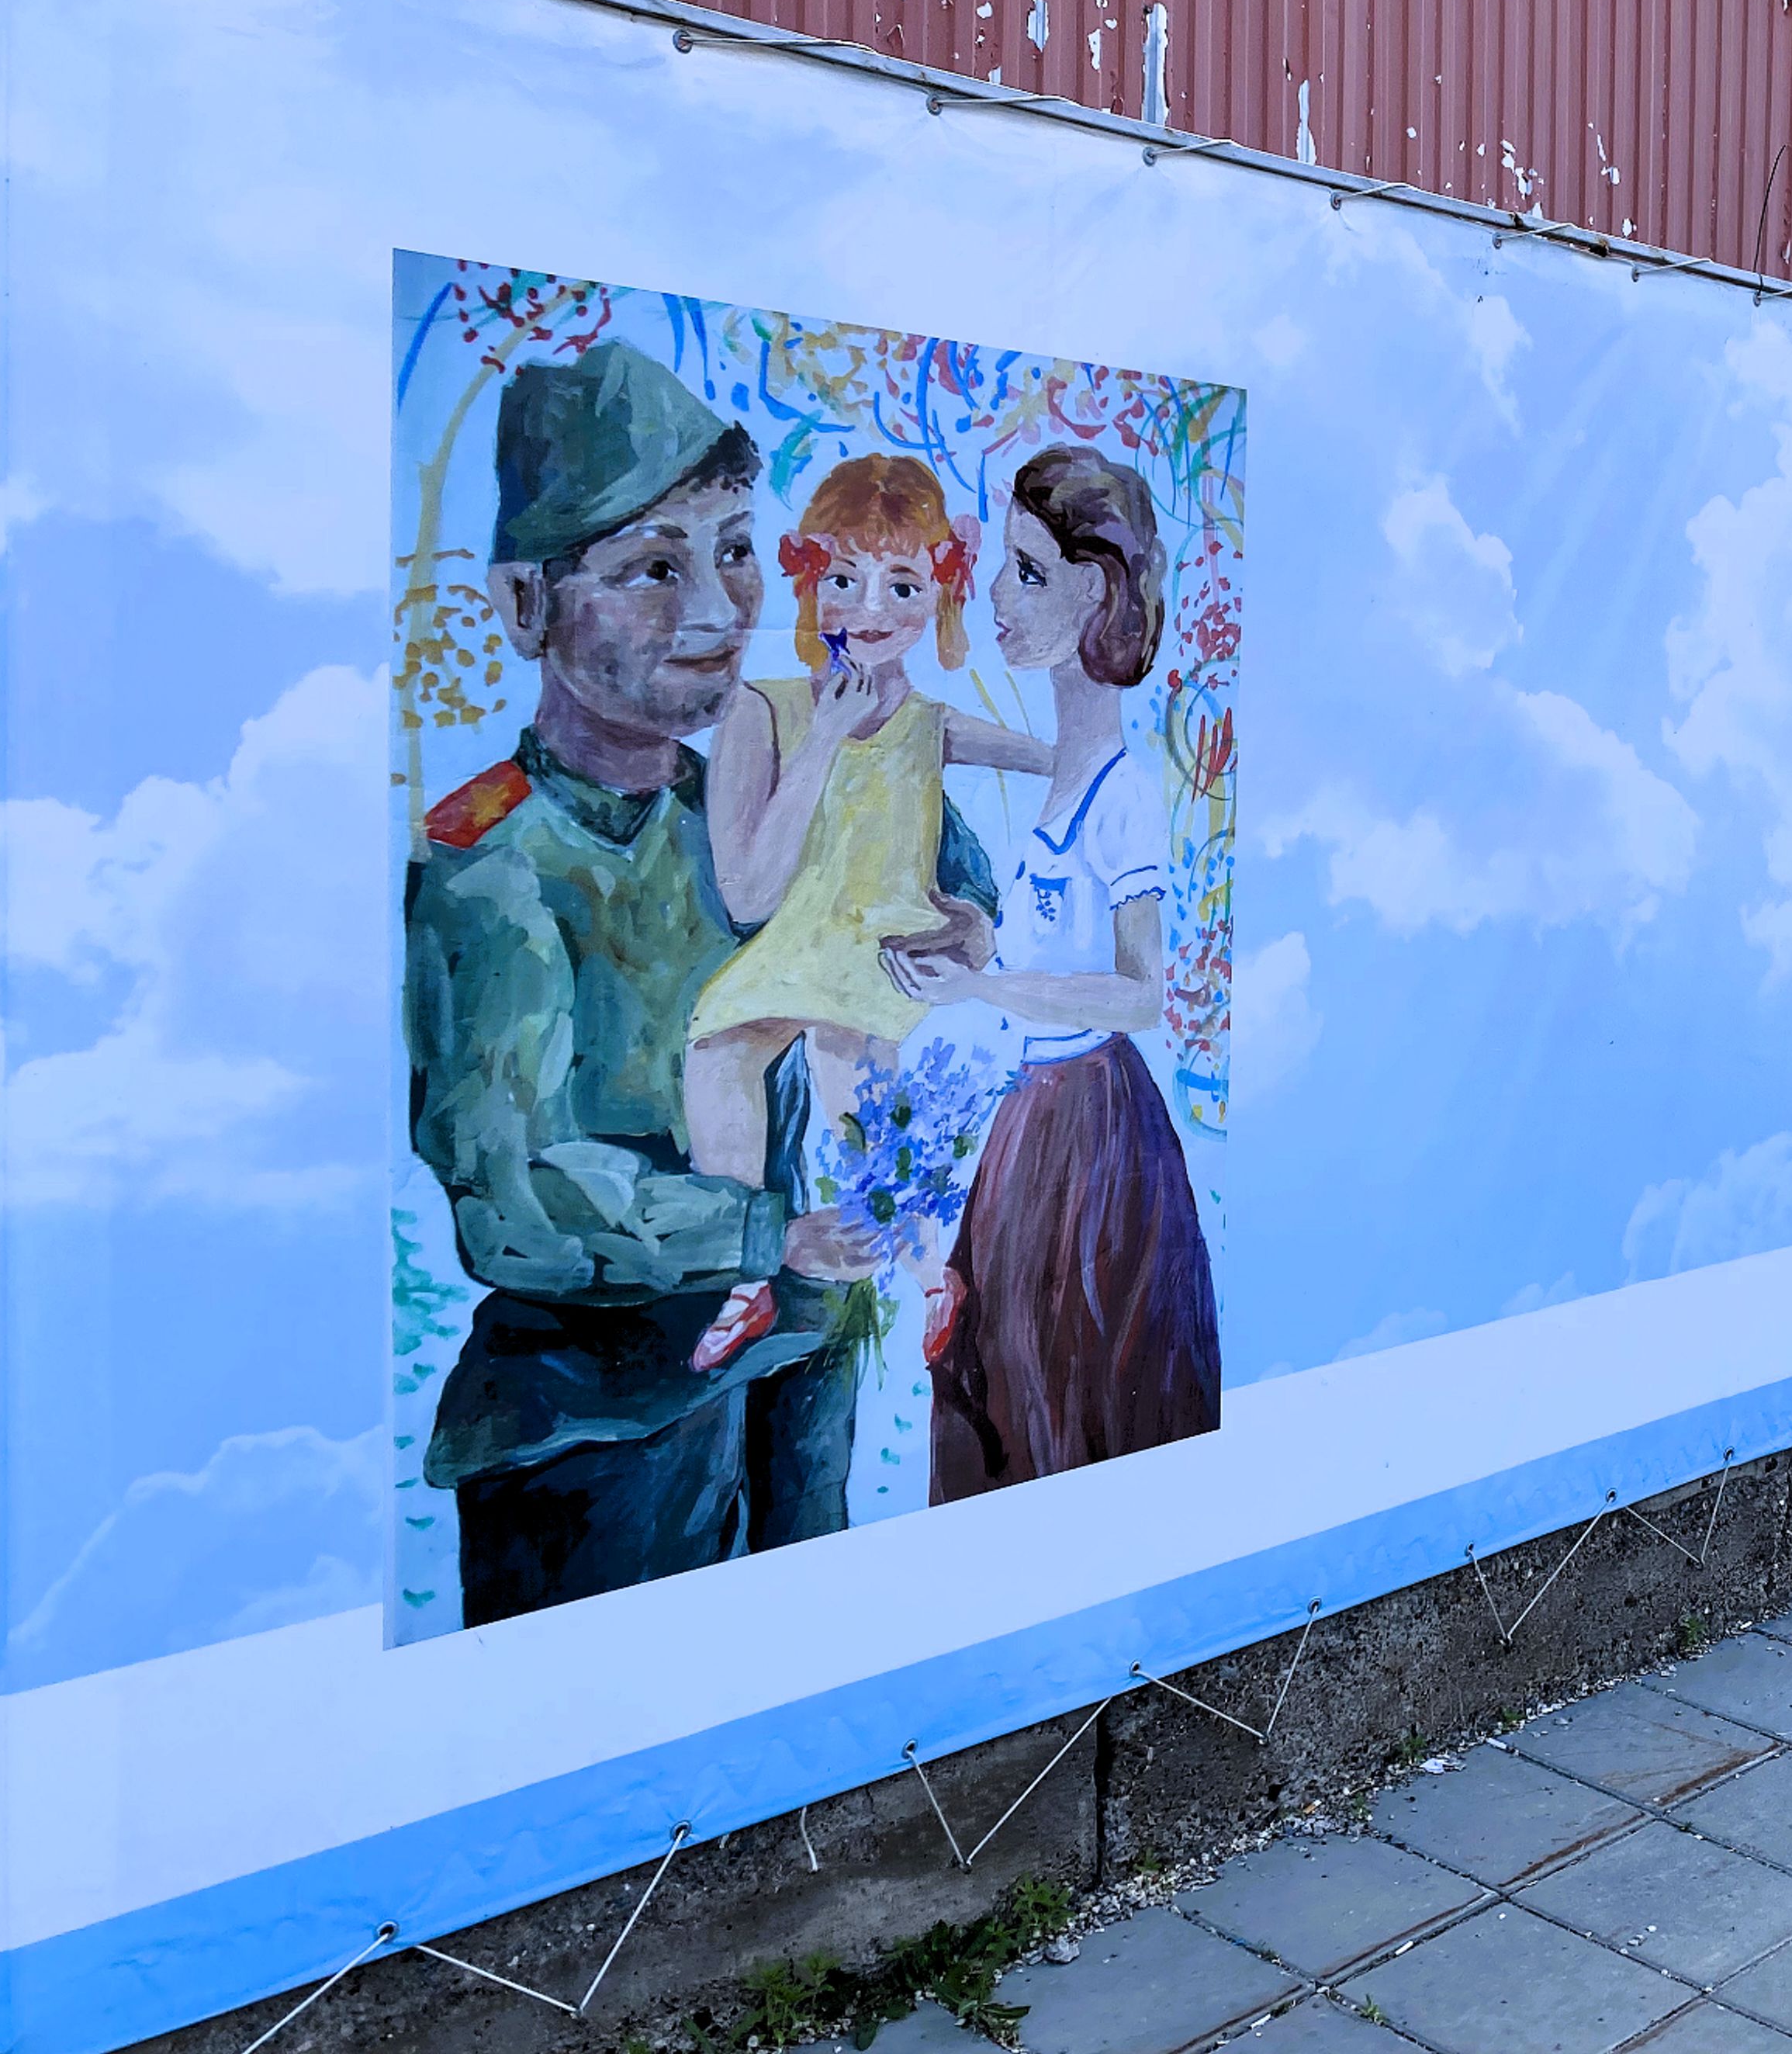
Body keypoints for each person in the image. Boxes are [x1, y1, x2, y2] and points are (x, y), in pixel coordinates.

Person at [405, 341, 997, 1625]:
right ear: (524, 605)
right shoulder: (491, 866)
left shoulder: (755, 781)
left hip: (799, 1363)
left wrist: (964, 918)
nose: (718, 604)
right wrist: (759, 1234)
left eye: (736, 548)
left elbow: (927, 838)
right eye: (651, 568)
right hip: (598, 1428)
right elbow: (516, 1189)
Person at [884, 444, 1222, 1496]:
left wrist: (982, 988)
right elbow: (1054, 943)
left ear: (1096, 590)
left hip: (1091, 1138)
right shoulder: (1065, 770)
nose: (996, 596)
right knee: (1004, 1383)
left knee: (1060, 1383)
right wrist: (976, 943)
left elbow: (1140, 991)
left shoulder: (1121, 789)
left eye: (1028, 573)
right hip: (1036, 1119)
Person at [684, 455, 1052, 1192]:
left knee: (847, 1064)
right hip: (791, 952)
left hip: (887, 953)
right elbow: (749, 898)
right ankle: (744, 1275)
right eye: (843, 580)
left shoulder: (928, 725)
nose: (872, 611)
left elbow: (1058, 760)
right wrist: (824, 737)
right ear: (809, 586)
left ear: (941, 597)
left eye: (904, 586)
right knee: (720, 1051)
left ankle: (909, 1270)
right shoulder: (760, 710)